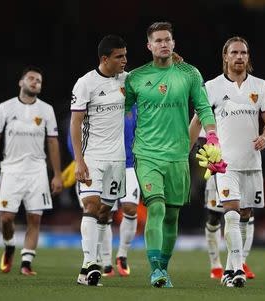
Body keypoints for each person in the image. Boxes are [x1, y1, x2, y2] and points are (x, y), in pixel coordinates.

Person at [124, 21, 222, 288]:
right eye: (158, 40)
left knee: (171, 215)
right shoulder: (134, 78)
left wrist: (212, 136)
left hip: (179, 156)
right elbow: (120, 112)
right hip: (147, 154)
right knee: (154, 207)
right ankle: (155, 270)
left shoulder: (189, 74)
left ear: (174, 43)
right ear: (149, 45)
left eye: (167, 39)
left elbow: (203, 108)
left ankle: (163, 268)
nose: (163, 44)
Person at [190, 36, 265, 287]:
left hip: (251, 162)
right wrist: (184, 152)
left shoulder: (259, 86)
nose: (239, 57)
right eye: (235, 53)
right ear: (225, 57)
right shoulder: (212, 86)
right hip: (224, 163)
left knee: (246, 215)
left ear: (248, 57)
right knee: (231, 213)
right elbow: (196, 123)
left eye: (244, 53)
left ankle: (230, 269)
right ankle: (236, 270)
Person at [0, 66, 63, 276]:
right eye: (31, 78)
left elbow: (53, 142)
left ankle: (26, 262)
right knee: (6, 218)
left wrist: (57, 174)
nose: (36, 82)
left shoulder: (46, 110)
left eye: (39, 80)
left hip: (37, 172)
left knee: (34, 218)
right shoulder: (5, 108)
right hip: (10, 170)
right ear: (21, 82)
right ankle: (9, 246)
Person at [70, 34, 127, 286]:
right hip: (92, 156)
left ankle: (91, 268)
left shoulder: (127, 80)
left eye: (125, 55)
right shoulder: (86, 83)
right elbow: (75, 123)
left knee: (105, 212)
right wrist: (79, 161)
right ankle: (89, 262)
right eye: (119, 56)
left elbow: (153, 76)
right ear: (105, 59)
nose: (125, 60)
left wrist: (171, 62)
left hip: (118, 158)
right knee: (90, 205)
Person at [195, 131, 256, 280]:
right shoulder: (213, 109)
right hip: (219, 170)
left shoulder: (247, 108)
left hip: (243, 168)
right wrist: (210, 159)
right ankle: (215, 265)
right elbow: (201, 141)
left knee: (246, 213)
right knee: (214, 216)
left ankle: (241, 262)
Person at [101, 104, 140, 278]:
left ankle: (122, 254)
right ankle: (106, 260)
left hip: (130, 164)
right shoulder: (103, 101)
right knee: (104, 212)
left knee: (131, 208)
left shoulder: (136, 107)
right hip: (106, 163)